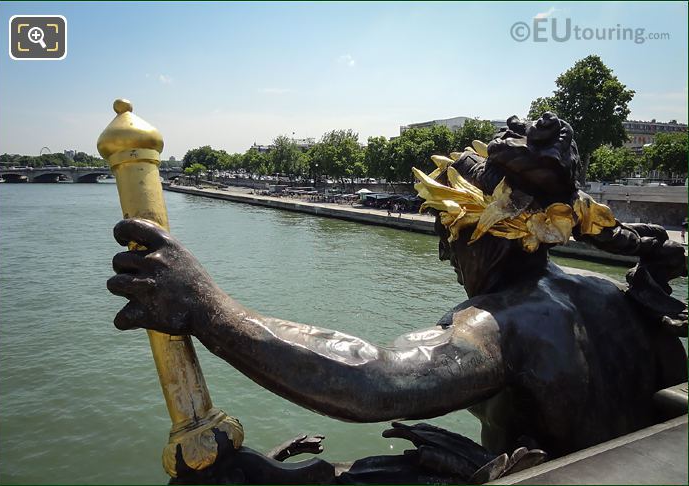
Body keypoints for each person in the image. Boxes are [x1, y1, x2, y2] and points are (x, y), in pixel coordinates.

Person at [108, 114, 687, 478]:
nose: (444, 256)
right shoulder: (614, 295)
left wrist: (207, 309)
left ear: (474, 230)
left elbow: (375, 380)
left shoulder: (500, 323)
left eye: (445, 235)